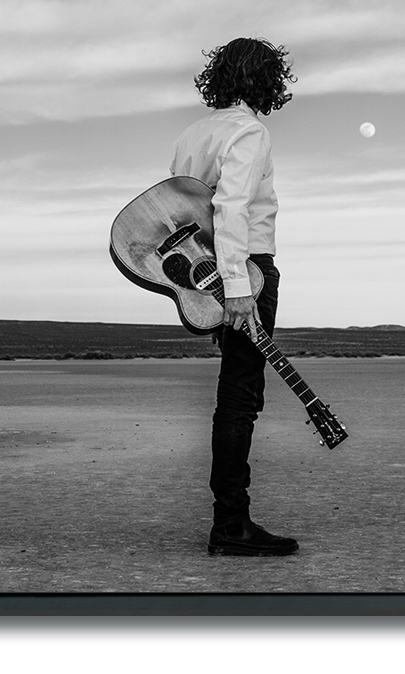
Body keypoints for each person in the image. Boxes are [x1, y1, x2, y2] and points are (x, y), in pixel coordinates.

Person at [169, 37, 299, 556]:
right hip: (247, 272)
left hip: (207, 270)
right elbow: (232, 210)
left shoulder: (192, 134)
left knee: (233, 395)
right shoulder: (249, 131)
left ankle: (230, 520)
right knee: (240, 399)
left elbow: (179, 213)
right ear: (267, 81)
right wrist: (240, 290)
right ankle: (231, 526)